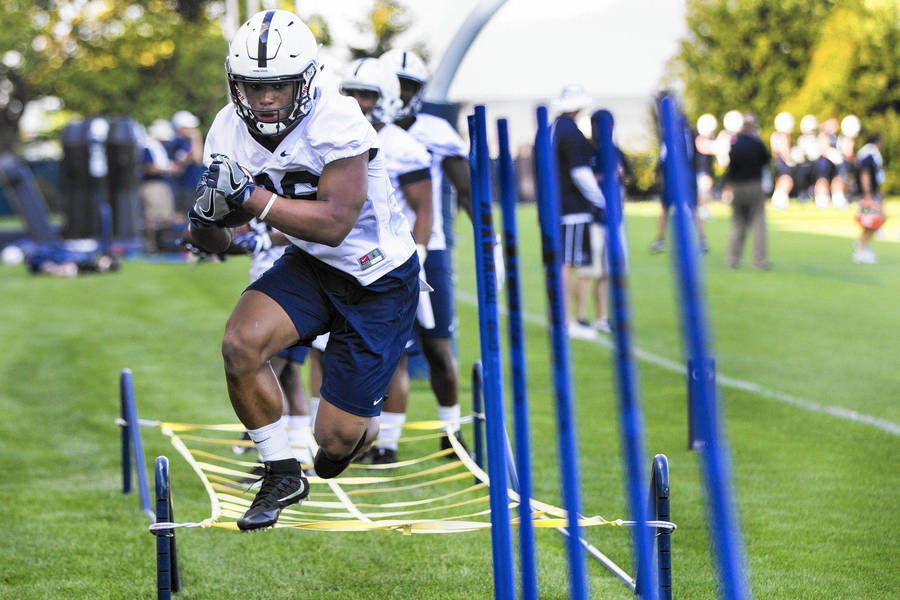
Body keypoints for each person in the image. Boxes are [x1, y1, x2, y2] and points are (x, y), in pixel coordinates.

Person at [186, 10, 419, 531]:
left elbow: (336, 222)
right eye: (254, 86)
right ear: (235, 82)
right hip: (312, 265)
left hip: (376, 275)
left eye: (280, 87)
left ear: (306, 81)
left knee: (335, 445)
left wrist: (249, 197)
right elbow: (217, 243)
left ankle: (360, 428)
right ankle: (279, 471)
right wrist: (203, 218)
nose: (266, 99)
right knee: (239, 343)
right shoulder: (226, 126)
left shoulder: (337, 119)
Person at [380, 48, 500, 451]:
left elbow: (466, 190)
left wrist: (491, 242)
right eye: (394, 84)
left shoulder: (434, 130)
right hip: (378, 251)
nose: (400, 93)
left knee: (436, 344)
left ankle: (452, 433)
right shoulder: (361, 128)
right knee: (390, 345)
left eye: (407, 85)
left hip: (429, 248)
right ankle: (386, 442)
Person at [337, 57, 433, 464]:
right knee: (329, 351)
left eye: (368, 94)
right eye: (352, 93)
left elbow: (424, 209)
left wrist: (419, 257)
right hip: (343, 260)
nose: (359, 102)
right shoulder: (335, 137)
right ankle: (336, 437)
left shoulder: (403, 146)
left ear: (386, 99)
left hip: (390, 263)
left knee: (395, 354)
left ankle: (387, 443)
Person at [233, 218, 315, 468]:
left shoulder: (283, 185)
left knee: (268, 374)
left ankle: (272, 462)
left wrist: (266, 239)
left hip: (283, 292)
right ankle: (299, 455)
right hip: (289, 288)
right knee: (288, 375)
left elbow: (307, 227)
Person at [547, 85, 606, 340]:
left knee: (562, 264)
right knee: (566, 265)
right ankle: (564, 321)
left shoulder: (551, 129)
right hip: (570, 208)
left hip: (554, 207)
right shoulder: (570, 132)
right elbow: (580, 173)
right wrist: (602, 201)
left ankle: (561, 319)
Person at [724, 114, 771, 270]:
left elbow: (731, 167)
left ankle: (733, 260)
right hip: (754, 185)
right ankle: (759, 261)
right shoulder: (756, 144)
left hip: (738, 187)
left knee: (738, 224)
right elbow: (766, 159)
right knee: (758, 224)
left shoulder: (735, 144)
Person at [139, 119, 180, 250]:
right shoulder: (148, 146)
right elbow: (150, 168)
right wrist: (170, 169)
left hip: (161, 184)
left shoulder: (158, 147)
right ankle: (150, 244)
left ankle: (161, 243)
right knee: (152, 216)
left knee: (165, 216)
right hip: (153, 185)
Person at [852, 133, 886, 264]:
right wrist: (867, 193)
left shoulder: (870, 152)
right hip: (868, 196)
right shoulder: (869, 153)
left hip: (872, 194)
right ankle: (860, 249)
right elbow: (865, 173)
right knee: (869, 222)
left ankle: (863, 245)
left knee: (879, 218)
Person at [168, 110, 205, 213]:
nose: (193, 129)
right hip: (185, 187)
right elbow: (197, 158)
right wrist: (196, 139)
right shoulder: (176, 143)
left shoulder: (185, 142)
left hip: (194, 185)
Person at [694, 113, 718, 220]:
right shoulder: (699, 138)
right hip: (701, 169)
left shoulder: (711, 138)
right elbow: (705, 147)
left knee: (706, 191)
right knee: (703, 190)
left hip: (707, 169)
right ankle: (701, 211)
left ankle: (703, 210)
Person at [769, 112, 795, 210]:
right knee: (787, 180)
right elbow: (784, 151)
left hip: (777, 162)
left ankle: (778, 199)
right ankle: (779, 200)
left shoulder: (775, 135)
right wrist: (790, 160)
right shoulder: (783, 136)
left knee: (782, 180)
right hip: (782, 162)